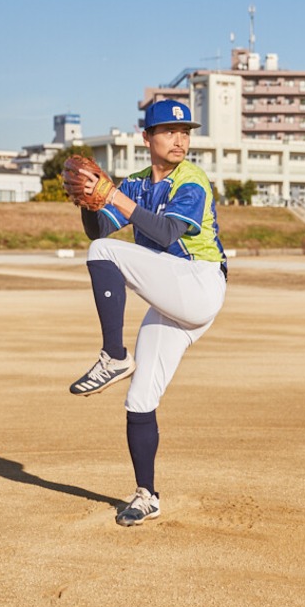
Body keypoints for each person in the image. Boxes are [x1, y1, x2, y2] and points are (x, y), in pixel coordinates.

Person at [69, 99, 227, 527]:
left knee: (103, 253)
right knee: (140, 398)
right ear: (147, 138)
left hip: (199, 284)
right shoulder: (138, 183)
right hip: (171, 299)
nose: (180, 139)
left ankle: (113, 355)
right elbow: (100, 227)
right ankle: (146, 495)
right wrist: (88, 203)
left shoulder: (191, 179)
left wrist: (114, 196)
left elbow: (168, 231)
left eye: (186, 132)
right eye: (169, 131)